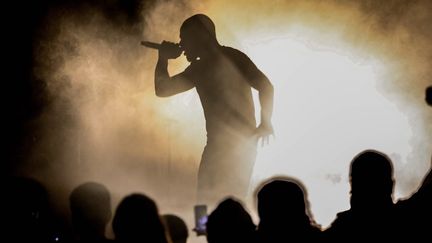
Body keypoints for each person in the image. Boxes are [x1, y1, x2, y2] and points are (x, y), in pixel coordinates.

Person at [153, 14, 274, 205]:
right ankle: (215, 229)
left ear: (200, 36)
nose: (182, 46)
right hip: (243, 146)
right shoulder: (231, 58)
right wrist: (265, 122)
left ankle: (204, 231)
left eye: (185, 39)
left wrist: (163, 59)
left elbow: (162, 89)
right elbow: (265, 86)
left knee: (205, 199)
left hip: (223, 148)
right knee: (231, 201)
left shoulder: (201, 69)